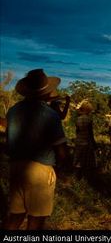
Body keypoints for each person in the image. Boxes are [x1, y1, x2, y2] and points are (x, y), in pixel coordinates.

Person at [4, 69, 67, 230]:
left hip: (16, 167)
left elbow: (8, 142)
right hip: (40, 169)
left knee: (16, 214)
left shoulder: (13, 112)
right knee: (36, 219)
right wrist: (61, 168)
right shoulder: (50, 115)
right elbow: (61, 150)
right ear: (45, 92)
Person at [73, 101, 97, 179]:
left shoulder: (78, 119)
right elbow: (90, 133)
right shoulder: (89, 120)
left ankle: (77, 177)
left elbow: (77, 131)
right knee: (87, 160)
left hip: (79, 140)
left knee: (78, 159)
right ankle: (86, 177)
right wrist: (94, 143)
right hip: (87, 141)